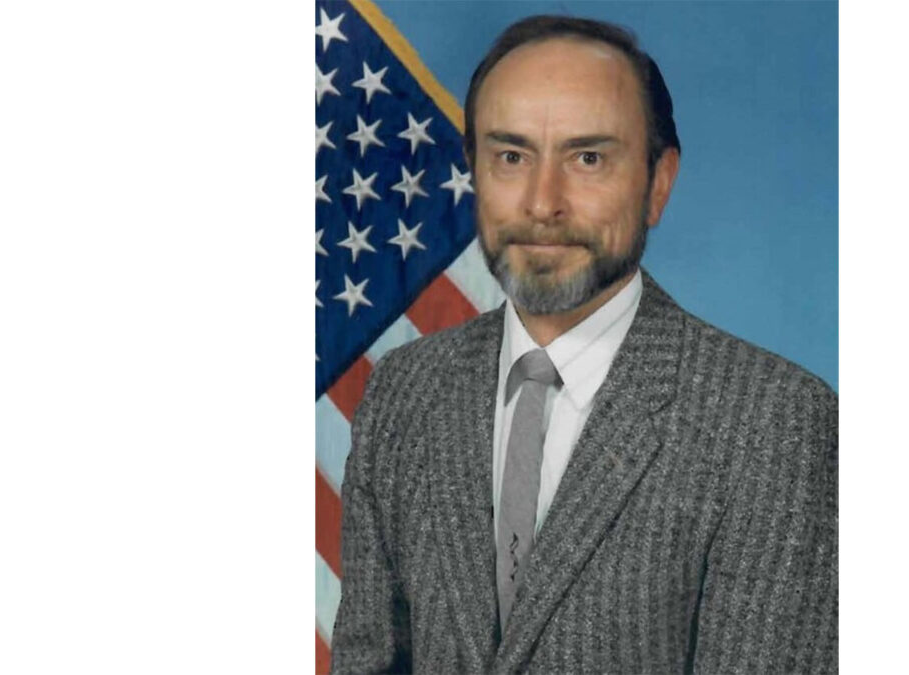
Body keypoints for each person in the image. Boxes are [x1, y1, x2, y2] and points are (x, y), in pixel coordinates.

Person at [330, 15, 837, 674]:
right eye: (511, 156)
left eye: (588, 157)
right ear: (475, 174)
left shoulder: (772, 422)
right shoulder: (404, 390)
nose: (544, 202)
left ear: (658, 182)